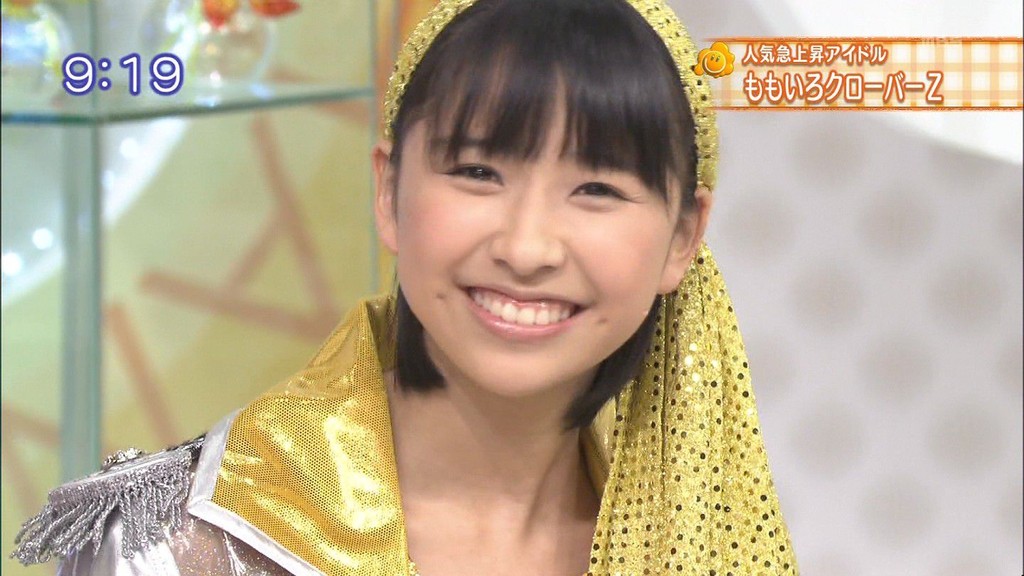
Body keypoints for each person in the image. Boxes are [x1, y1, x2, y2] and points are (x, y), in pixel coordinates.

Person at [13, 0, 799, 574]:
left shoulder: (701, 539)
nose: (526, 247)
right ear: (388, 191)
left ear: (684, 237)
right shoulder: (185, 541)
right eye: (478, 171)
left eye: (596, 188)